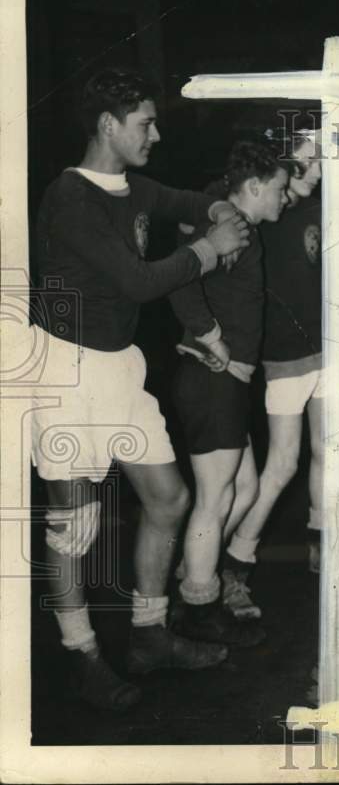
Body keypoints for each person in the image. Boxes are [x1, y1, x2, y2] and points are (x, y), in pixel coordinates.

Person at [30, 67, 250, 710]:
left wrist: (215, 209)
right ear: (107, 126)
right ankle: (83, 656)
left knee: (169, 497)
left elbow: (185, 202)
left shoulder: (134, 185)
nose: (155, 133)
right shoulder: (70, 196)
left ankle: (150, 635)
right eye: (144, 123)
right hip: (64, 371)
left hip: (120, 366)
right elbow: (136, 282)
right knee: (73, 526)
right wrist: (210, 249)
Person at [169, 140, 289, 646]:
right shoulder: (226, 229)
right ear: (255, 189)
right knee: (214, 499)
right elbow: (179, 281)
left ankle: (193, 574)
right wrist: (211, 335)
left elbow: (214, 193)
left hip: (230, 382)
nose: (285, 199)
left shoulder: (241, 223)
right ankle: (196, 608)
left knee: (245, 490)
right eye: (280, 190)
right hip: (210, 378)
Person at [219, 130, 323, 620]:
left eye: (320, 162)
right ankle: (235, 560)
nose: (317, 172)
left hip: (329, 352)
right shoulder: (264, 216)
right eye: (307, 163)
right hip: (282, 359)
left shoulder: (322, 210)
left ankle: (323, 548)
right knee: (280, 466)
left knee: (328, 453)